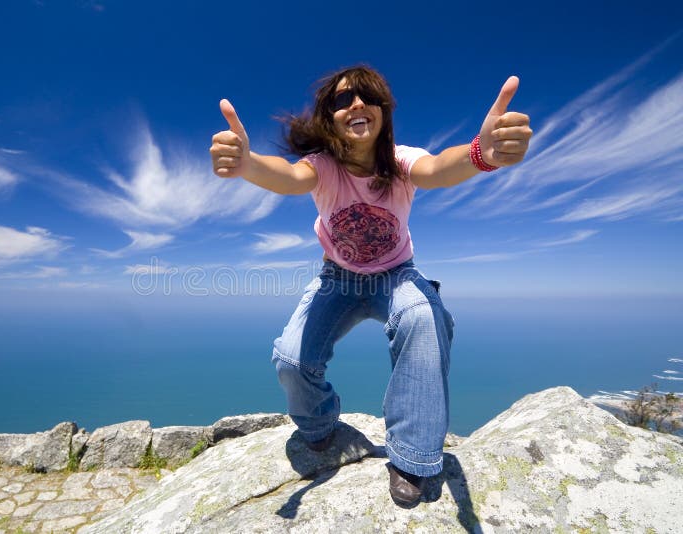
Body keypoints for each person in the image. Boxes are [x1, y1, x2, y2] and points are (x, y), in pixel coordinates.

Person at [209, 65, 531, 507]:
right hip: (337, 277)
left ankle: (412, 457)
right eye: (343, 100)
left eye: (367, 97)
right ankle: (320, 427)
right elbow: (287, 177)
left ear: (383, 112)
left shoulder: (401, 160)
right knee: (290, 358)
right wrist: (247, 165)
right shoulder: (322, 166)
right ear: (331, 118)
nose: (356, 104)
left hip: (395, 274)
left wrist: (484, 153)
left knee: (424, 317)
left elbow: (436, 169)